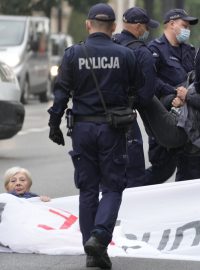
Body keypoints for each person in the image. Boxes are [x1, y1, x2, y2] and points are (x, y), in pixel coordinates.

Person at [47, 3, 145, 269]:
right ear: (113, 27)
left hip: (82, 129)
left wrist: (54, 124)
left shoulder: (73, 54)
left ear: (88, 24)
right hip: (113, 129)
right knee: (112, 186)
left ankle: (90, 249)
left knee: (87, 189)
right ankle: (100, 237)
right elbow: (137, 88)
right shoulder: (125, 55)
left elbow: (61, 94)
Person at [147, 8, 199, 183]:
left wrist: (187, 95)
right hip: (167, 114)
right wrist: (175, 92)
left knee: (189, 169)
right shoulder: (155, 49)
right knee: (161, 171)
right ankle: (130, 191)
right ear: (171, 24)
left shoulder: (189, 50)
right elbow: (150, 81)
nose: (187, 30)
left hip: (189, 118)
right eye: (184, 25)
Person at [112, 6, 159, 187]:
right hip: (125, 120)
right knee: (134, 175)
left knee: (106, 176)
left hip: (96, 120)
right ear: (138, 27)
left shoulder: (108, 44)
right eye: (147, 27)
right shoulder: (142, 52)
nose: (147, 31)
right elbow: (146, 94)